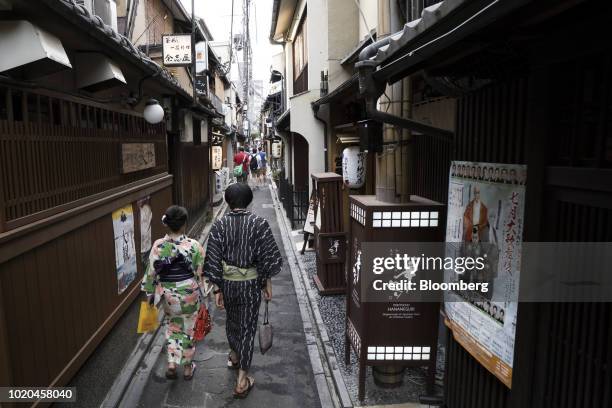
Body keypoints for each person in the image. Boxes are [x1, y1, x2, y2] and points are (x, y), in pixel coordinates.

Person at [204, 183, 282, 399]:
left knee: (232, 321)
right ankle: (241, 379)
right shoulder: (258, 223)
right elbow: (268, 257)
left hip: (228, 284)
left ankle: (235, 355)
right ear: (249, 201)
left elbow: (212, 259)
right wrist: (266, 282)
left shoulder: (220, 226)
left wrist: (217, 288)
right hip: (250, 283)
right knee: (247, 327)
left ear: (228, 202)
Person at [141, 206, 209, 381]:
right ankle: (187, 368)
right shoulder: (194, 246)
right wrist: (206, 290)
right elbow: (201, 271)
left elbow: (151, 273)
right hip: (189, 293)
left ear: (166, 224)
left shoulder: (158, 245)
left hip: (169, 293)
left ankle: (172, 363)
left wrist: (149, 295)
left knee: (172, 326)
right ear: (184, 224)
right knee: (189, 328)